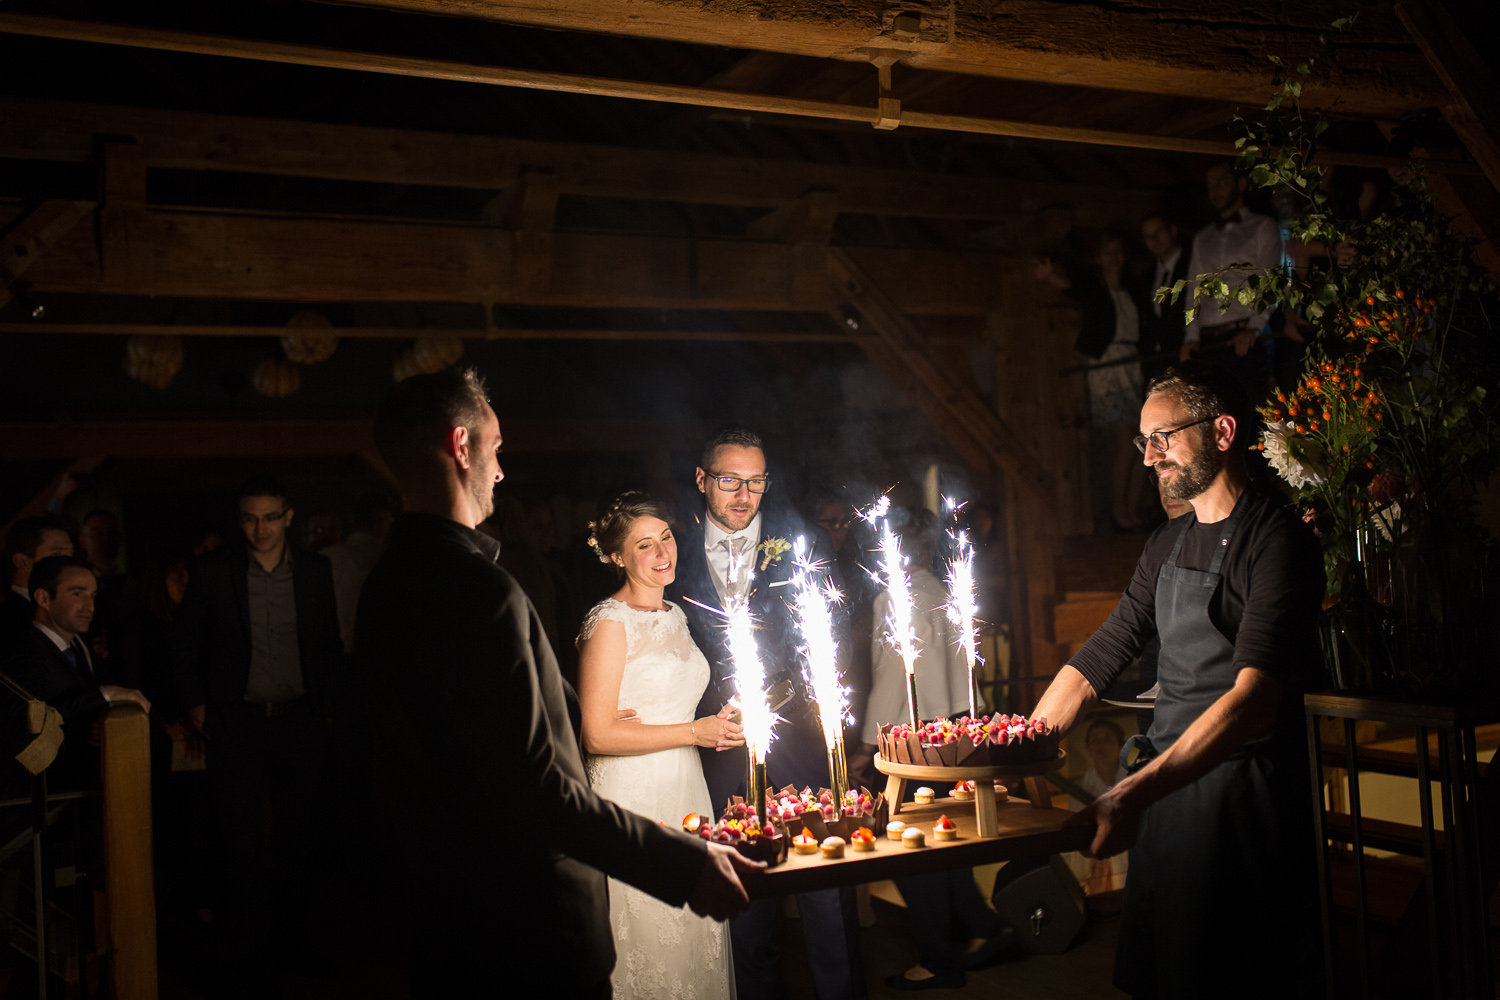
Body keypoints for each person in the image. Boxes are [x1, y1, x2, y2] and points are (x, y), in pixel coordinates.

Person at [354, 368, 757, 999]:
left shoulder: (383, 588)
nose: (501, 470)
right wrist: (680, 862)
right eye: (496, 447)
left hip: (438, 909)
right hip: (522, 923)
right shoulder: (480, 591)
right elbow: (534, 784)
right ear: (461, 446)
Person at [1032, 359, 1324, 999]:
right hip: (1165, 795)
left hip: (1238, 797)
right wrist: (1015, 744)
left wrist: (1130, 795)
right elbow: (1105, 650)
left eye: (1163, 437)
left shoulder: (1275, 541)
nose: (1149, 457)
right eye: (1145, 441)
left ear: (1222, 432)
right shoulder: (1168, 541)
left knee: (1225, 979)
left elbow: (1252, 701)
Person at [665, 427, 865, 1000]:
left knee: (824, 878)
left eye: (756, 482)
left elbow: (836, 639)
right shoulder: (671, 550)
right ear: (703, 480)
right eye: (730, 481)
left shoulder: (801, 542)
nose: (743, 495)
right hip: (720, 742)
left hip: (798, 733)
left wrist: (801, 699)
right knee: (740, 885)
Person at [171, 476, 343, 993]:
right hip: (237, 721)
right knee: (239, 842)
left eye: (270, 517)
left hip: (299, 720)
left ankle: (293, 943)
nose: (260, 528)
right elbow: (184, 643)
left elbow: (327, 641)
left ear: (289, 517)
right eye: (250, 518)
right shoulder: (214, 571)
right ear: (239, 520)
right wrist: (196, 705)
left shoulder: (315, 570)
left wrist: (328, 709)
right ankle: (252, 955)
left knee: (300, 839)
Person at [577, 492, 744, 999]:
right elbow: (597, 733)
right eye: (644, 545)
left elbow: (674, 704)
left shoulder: (675, 613)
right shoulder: (609, 622)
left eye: (665, 537)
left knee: (693, 938)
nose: (661, 553)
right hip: (633, 796)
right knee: (647, 938)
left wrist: (721, 720)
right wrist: (694, 732)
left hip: (684, 786)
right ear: (615, 557)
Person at [860, 509, 1009, 991]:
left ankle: (939, 960)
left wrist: (865, 746)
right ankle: (988, 928)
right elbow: (969, 672)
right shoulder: (948, 595)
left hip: (913, 742)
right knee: (947, 839)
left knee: (911, 848)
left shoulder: (893, 600)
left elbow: (889, 682)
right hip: (959, 734)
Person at [3, 556, 150, 787]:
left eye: (92, 595)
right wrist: (104, 694)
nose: (89, 606)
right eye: (77, 593)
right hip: (48, 798)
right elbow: (29, 727)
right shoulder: (24, 653)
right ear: (43, 598)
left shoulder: (77, 647)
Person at [1035, 233, 1149, 530]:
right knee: (1126, 442)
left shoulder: (1133, 290)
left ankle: (1133, 510)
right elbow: (1072, 286)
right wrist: (1051, 276)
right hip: (1107, 365)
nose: (1113, 258)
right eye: (1107, 252)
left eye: (1117, 252)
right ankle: (1118, 512)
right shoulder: (1094, 288)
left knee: (1143, 444)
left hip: (1132, 363)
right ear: (1099, 258)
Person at [1179, 161, 1284, 402]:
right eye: (1210, 186)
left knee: (1248, 411)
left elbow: (1270, 282)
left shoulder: (1262, 226)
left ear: (1241, 184)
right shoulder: (1203, 237)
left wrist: (1253, 328)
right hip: (1207, 342)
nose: (1215, 190)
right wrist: (1191, 337)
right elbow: (1194, 288)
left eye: (1222, 182)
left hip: (1243, 337)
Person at [322, 491, 394, 654]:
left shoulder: (328, 558)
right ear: (384, 524)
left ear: (353, 520)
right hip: (379, 659)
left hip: (333, 656)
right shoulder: (393, 560)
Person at [1064, 719, 1129, 896]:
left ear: (1121, 746)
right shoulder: (1079, 789)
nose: (1101, 744)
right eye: (1094, 740)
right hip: (1096, 867)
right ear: (1088, 748)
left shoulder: (1132, 783)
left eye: (1107, 738)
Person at [1, 515, 75, 646]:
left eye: (70, 555)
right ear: (22, 562)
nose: (69, 564)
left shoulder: (74, 606)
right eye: (56, 555)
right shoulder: (10, 621)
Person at [1139, 211, 1193, 384]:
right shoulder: (1148, 277)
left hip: (1186, 357)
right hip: (1157, 362)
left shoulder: (1191, 265)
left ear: (1172, 230)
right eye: (1148, 237)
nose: (1154, 240)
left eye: (1158, 233)